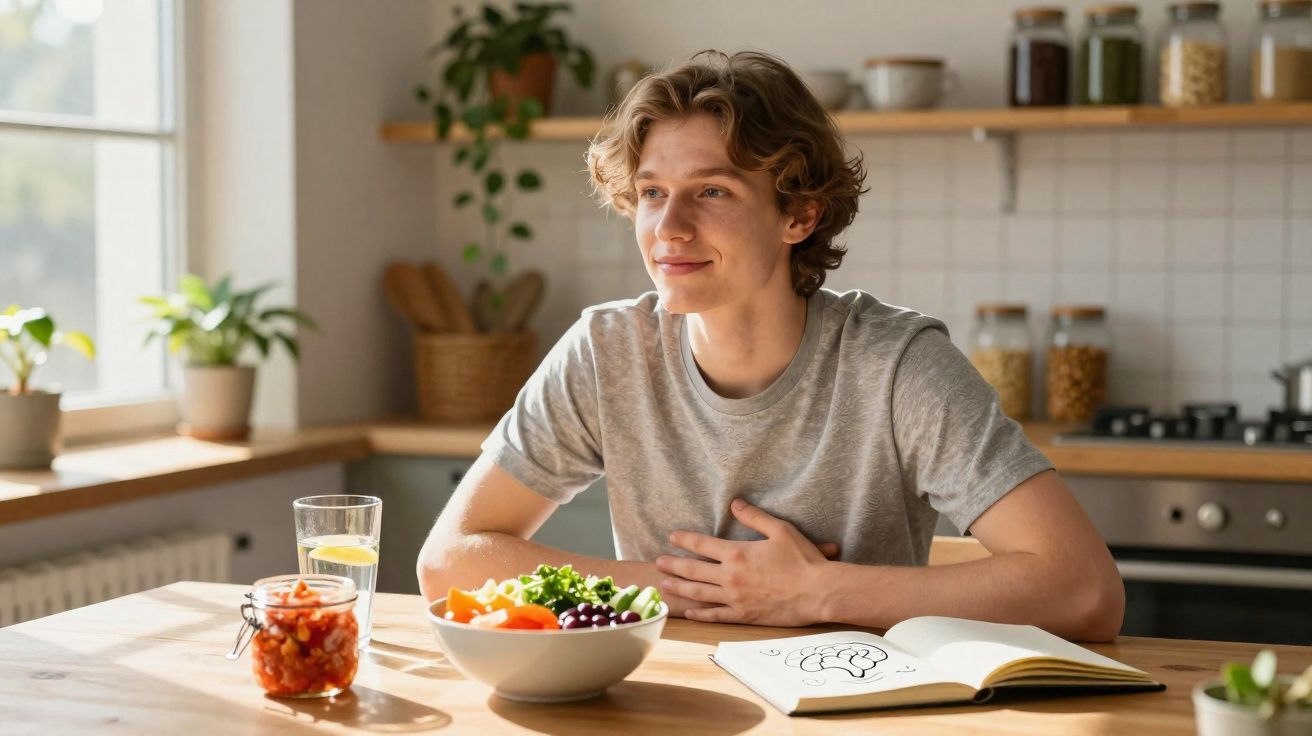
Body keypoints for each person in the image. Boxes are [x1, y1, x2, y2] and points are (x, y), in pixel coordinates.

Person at [416, 50, 1124, 642]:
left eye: (713, 192)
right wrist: (687, 588)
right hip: (667, 705)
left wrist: (817, 593)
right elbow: (449, 561)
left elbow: (1084, 589)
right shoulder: (606, 352)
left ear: (799, 213)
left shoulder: (897, 365)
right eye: (653, 192)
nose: (668, 228)